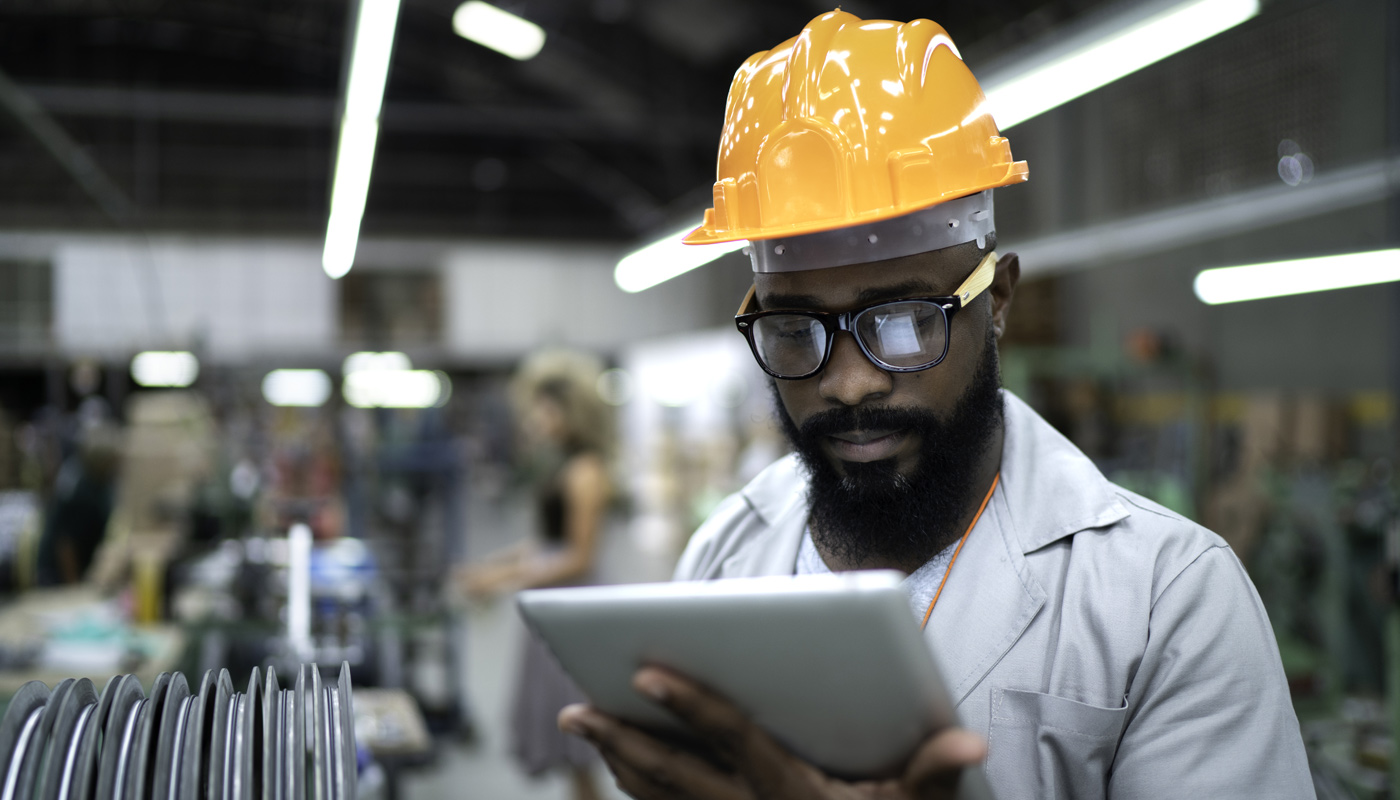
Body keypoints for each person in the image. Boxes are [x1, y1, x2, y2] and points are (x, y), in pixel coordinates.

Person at [557, 9, 1315, 799]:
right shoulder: (724, 558)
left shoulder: (1169, 599)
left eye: (905, 322)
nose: (849, 384)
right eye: (793, 329)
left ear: (998, 303)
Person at [459, 350, 613, 800]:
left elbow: (578, 556)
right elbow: (546, 541)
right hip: (554, 604)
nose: (538, 418)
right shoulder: (563, 465)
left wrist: (504, 581)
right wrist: (492, 568)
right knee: (570, 749)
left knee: (578, 738)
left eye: (547, 408)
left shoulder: (585, 471)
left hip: (574, 610)